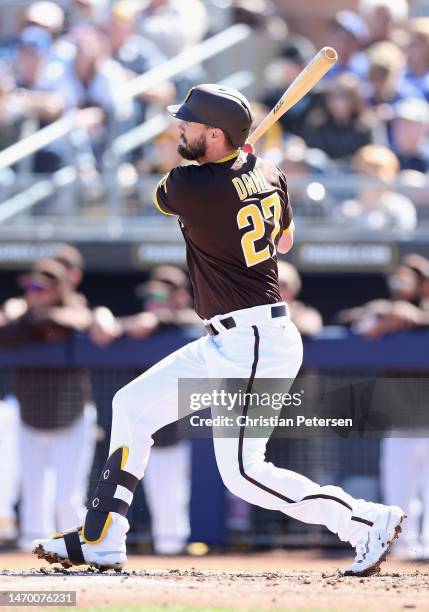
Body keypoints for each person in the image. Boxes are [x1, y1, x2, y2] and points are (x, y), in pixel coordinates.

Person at [34, 84, 405, 577]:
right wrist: (245, 168)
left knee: (246, 474)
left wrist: (232, 172)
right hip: (230, 339)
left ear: (214, 133)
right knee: (131, 406)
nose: (177, 130)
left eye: (187, 125)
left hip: (253, 343)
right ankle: (103, 538)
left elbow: (164, 194)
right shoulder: (270, 172)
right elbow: (286, 241)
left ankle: (364, 521)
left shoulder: (191, 187)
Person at [0, 259, 96, 550]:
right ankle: (34, 551)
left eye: (41, 287)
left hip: (72, 415)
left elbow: (73, 321)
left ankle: (78, 551)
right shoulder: (17, 315)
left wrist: (27, 317)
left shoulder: (75, 307)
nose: (33, 292)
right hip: (31, 415)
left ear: (58, 289)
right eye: (30, 286)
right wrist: (19, 316)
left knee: (68, 495)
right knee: (34, 492)